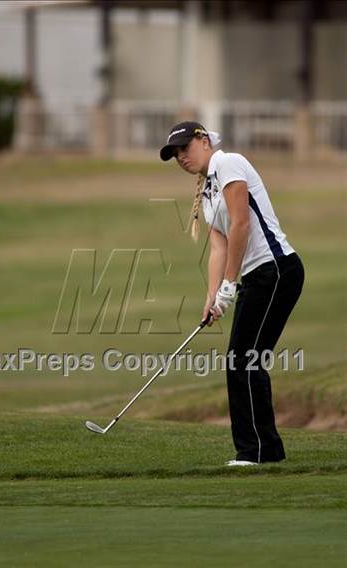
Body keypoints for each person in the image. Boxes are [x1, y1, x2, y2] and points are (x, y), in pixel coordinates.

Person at [160, 121, 304, 466]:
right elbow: (218, 246)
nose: (181, 157)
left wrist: (228, 285)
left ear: (204, 140)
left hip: (276, 270)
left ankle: (256, 452)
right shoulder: (207, 189)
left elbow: (241, 222)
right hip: (258, 278)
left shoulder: (229, 163)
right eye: (175, 154)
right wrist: (212, 295)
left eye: (185, 148)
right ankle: (264, 450)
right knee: (243, 360)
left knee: (244, 360)